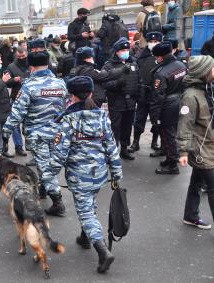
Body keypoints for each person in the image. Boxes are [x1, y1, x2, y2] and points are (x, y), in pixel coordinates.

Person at [51, 76, 122, 273]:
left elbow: (59, 154)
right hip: (99, 173)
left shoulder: (67, 120)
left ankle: (103, 251)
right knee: (89, 204)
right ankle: (84, 237)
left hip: (78, 175)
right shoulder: (101, 116)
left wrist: (49, 177)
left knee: (86, 211)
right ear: (90, 93)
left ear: (71, 95)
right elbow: (111, 146)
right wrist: (116, 171)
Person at [177, 55, 214, 240]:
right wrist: (184, 151)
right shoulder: (190, 96)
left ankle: (190, 216)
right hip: (201, 149)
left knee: (196, 183)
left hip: (210, 145)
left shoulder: (208, 89)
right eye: (212, 68)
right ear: (203, 72)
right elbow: (184, 125)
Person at [2, 51, 67, 217]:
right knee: (47, 163)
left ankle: (58, 201)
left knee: (45, 166)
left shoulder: (29, 86)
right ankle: (44, 189)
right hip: (57, 132)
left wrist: (6, 132)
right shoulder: (60, 84)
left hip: (37, 134)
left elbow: (17, 113)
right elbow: (67, 108)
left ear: (31, 67)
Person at [150, 41, 187, 174]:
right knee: (174, 132)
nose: (156, 59)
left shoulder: (160, 73)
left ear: (160, 57)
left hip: (167, 106)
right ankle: (169, 158)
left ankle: (172, 164)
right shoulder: (181, 65)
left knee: (167, 135)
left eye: (156, 57)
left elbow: (157, 96)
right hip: (180, 102)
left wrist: (154, 115)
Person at [102, 37, 141, 160]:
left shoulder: (133, 63)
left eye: (127, 49)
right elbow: (104, 84)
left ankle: (124, 149)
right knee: (115, 128)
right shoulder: (108, 66)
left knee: (127, 127)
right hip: (116, 101)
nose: (125, 52)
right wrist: (117, 83)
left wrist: (139, 96)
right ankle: (112, 152)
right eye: (122, 50)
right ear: (116, 51)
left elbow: (139, 81)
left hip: (131, 102)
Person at [129, 32, 163, 153]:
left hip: (157, 93)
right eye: (151, 42)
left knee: (156, 119)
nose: (153, 44)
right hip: (143, 91)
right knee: (139, 118)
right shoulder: (141, 56)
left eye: (156, 42)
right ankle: (136, 142)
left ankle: (155, 141)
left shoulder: (162, 56)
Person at [5, 47, 30, 157]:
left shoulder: (31, 65)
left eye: (23, 56)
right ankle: (19, 147)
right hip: (16, 98)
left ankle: (31, 146)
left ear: (26, 54)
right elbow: (6, 82)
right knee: (15, 125)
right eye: (19, 57)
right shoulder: (11, 66)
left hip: (30, 99)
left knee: (28, 124)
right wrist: (13, 80)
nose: (21, 58)